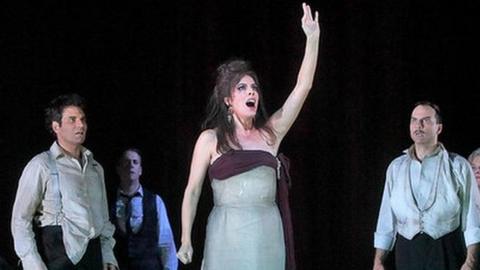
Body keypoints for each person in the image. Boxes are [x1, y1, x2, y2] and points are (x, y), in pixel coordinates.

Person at [176, 3, 320, 270]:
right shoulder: (210, 139)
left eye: (254, 87)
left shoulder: (271, 134)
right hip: (226, 233)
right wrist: (186, 238)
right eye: (242, 88)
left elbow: (303, 86)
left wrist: (312, 39)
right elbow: (193, 190)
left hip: (267, 232)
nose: (251, 92)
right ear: (228, 100)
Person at [11, 93, 118, 270]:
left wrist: (108, 256)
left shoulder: (95, 168)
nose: (81, 125)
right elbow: (20, 219)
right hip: (59, 257)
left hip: (93, 257)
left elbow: (103, 219)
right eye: (72, 120)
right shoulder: (41, 165)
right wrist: (32, 263)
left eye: (83, 119)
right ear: (56, 127)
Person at [372, 101, 480, 270]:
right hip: (407, 253)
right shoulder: (396, 168)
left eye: (425, 120)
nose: (418, 125)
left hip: (446, 250)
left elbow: (472, 218)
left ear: (439, 128)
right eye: (414, 120)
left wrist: (470, 262)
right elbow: (387, 219)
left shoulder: (458, 166)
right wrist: (378, 261)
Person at [111, 148, 178, 269]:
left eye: (135, 162)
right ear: (118, 169)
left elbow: (166, 243)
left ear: (140, 170)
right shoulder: (109, 201)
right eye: (126, 162)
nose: (131, 165)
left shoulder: (155, 201)